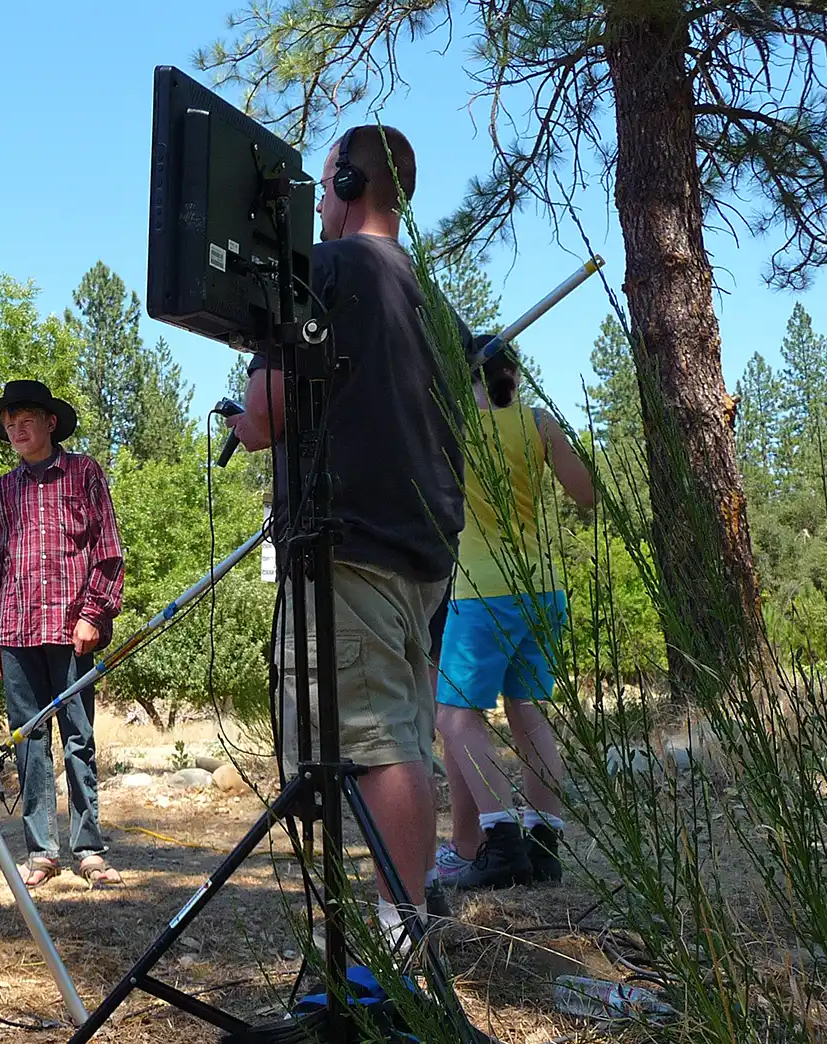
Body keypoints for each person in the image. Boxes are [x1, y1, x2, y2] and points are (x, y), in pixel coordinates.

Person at [226, 125, 473, 944]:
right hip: (421, 555)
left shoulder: (326, 272)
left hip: (351, 549)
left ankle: (396, 948)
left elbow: (265, 419)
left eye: (325, 182)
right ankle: (397, 934)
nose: (318, 201)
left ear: (351, 179)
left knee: (373, 748)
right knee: (400, 736)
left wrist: (245, 401)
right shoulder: (432, 300)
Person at [433, 344, 595, 889]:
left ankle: (499, 842)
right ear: (515, 378)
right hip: (541, 588)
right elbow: (587, 494)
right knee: (528, 710)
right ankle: (544, 844)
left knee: (454, 717)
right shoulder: (542, 424)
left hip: (482, 589)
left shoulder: (456, 427)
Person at [0, 380, 126, 888]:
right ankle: (42, 851)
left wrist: (93, 613)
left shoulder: (84, 473)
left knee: (79, 737)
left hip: (71, 629)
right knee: (29, 741)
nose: (17, 431)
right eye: (9, 424)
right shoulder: (1, 491)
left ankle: (89, 849)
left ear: (50, 424)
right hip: (16, 633)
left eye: (26, 421)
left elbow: (106, 547)